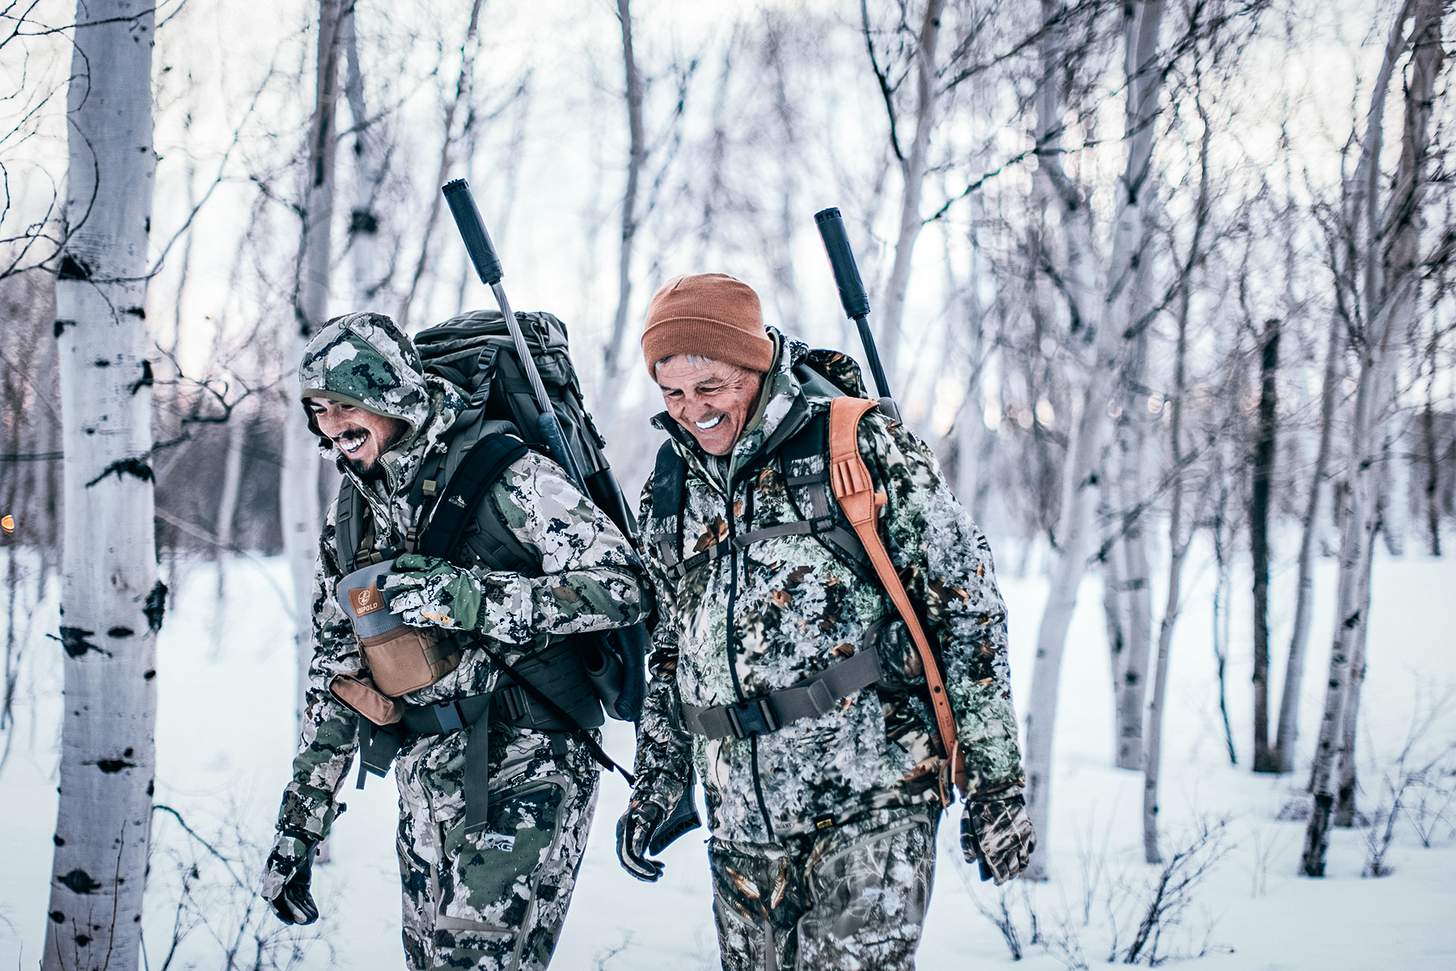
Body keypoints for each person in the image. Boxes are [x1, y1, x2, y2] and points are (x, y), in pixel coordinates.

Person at [615, 274, 1034, 970]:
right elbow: (669, 648)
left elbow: (966, 604)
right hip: (742, 827)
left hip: (872, 802)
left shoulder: (851, 441)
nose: (693, 410)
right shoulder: (671, 484)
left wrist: (996, 782)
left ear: (752, 364)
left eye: (710, 386)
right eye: (674, 393)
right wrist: (657, 783)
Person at [259, 311, 650, 971]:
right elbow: (336, 679)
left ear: (392, 395)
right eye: (320, 409)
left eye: (348, 405)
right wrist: (299, 826)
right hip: (427, 777)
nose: (332, 425)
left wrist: (473, 599)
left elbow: (626, 584)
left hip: (530, 762)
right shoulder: (353, 513)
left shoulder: (508, 473)